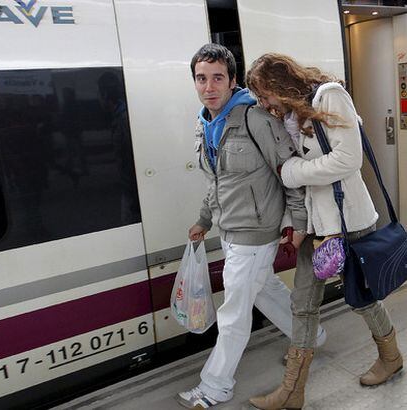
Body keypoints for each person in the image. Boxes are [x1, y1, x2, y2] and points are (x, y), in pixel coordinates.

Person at [246, 53, 404, 410]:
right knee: (302, 305)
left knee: (362, 298)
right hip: (316, 225)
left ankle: (391, 356)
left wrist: (292, 171)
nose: (263, 103)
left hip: (349, 221)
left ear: (279, 83)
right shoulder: (289, 117)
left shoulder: (329, 95)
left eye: (263, 93)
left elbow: (348, 159)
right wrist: (295, 224)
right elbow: (303, 182)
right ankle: (292, 391)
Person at [176, 44, 326, 410]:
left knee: (233, 312)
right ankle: (311, 338)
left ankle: (216, 386)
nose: (209, 86)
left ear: (230, 80)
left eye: (217, 78)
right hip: (229, 230)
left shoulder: (254, 118)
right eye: (201, 78)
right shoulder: (208, 123)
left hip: (257, 231)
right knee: (263, 291)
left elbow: (288, 171)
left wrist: (299, 223)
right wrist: (204, 219)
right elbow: (217, 180)